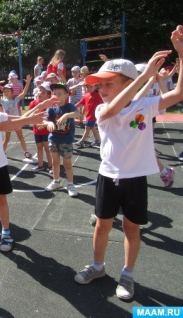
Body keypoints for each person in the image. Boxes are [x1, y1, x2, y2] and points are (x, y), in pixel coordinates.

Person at [74, 25, 183, 300]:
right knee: (102, 224)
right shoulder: (101, 108)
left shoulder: (145, 106)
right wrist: (143, 77)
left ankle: (128, 274)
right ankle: (98, 266)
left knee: (132, 228)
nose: (101, 88)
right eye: (100, 84)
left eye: (109, 83)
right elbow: (111, 110)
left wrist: (181, 53)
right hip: (107, 176)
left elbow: (179, 94)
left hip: (135, 180)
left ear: (127, 82)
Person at [0, 77, 57, 252]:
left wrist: (41, 105)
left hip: (0, 165)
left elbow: (18, 118)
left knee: (2, 200)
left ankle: (6, 231)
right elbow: (4, 127)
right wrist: (29, 120)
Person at [44, 82, 80, 197]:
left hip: (66, 140)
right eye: (54, 94)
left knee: (67, 163)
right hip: (54, 139)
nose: (56, 96)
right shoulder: (51, 109)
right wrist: (48, 122)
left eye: (60, 94)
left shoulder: (69, 106)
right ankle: (56, 181)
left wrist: (65, 116)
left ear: (66, 95)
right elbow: (44, 120)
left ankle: (70, 184)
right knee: (55, 163)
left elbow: (77, 114)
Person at [0, 74, 33, 158]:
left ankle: (26, 151)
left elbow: (24, 92)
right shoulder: (3, 101)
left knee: (21, 137)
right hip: (8, 122)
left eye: (8, 91)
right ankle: (2, 152)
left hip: (16, 122)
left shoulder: (15, 99)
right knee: (6, 139)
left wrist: (28, 83)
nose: (6, 92)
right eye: (4, 91)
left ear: (12, 92)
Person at [28, 83, 53, 173]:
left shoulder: (49, 105)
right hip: (37, 131)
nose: (40, 93)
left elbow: (51, 118)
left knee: (47, 148)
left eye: (43, 92)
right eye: (39, 91)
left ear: (48, 95)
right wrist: (36, 124)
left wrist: (44, 124)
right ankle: (40, 165)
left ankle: (51, 166)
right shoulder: (33, 104)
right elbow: (30, 117)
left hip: (46, 131)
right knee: (39, 148)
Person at [74, 82, 103, 148]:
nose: (88, 88)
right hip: (88, 114)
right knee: (92, 127)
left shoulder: (97, 95)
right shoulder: (86, 95)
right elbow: (80, 102)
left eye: (90, 87)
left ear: (95, 87)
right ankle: (97, 140)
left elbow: (103, 103)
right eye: (87, 87)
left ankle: (82, 141)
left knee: (87, 127)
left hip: (92, 115)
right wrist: (72, 107)